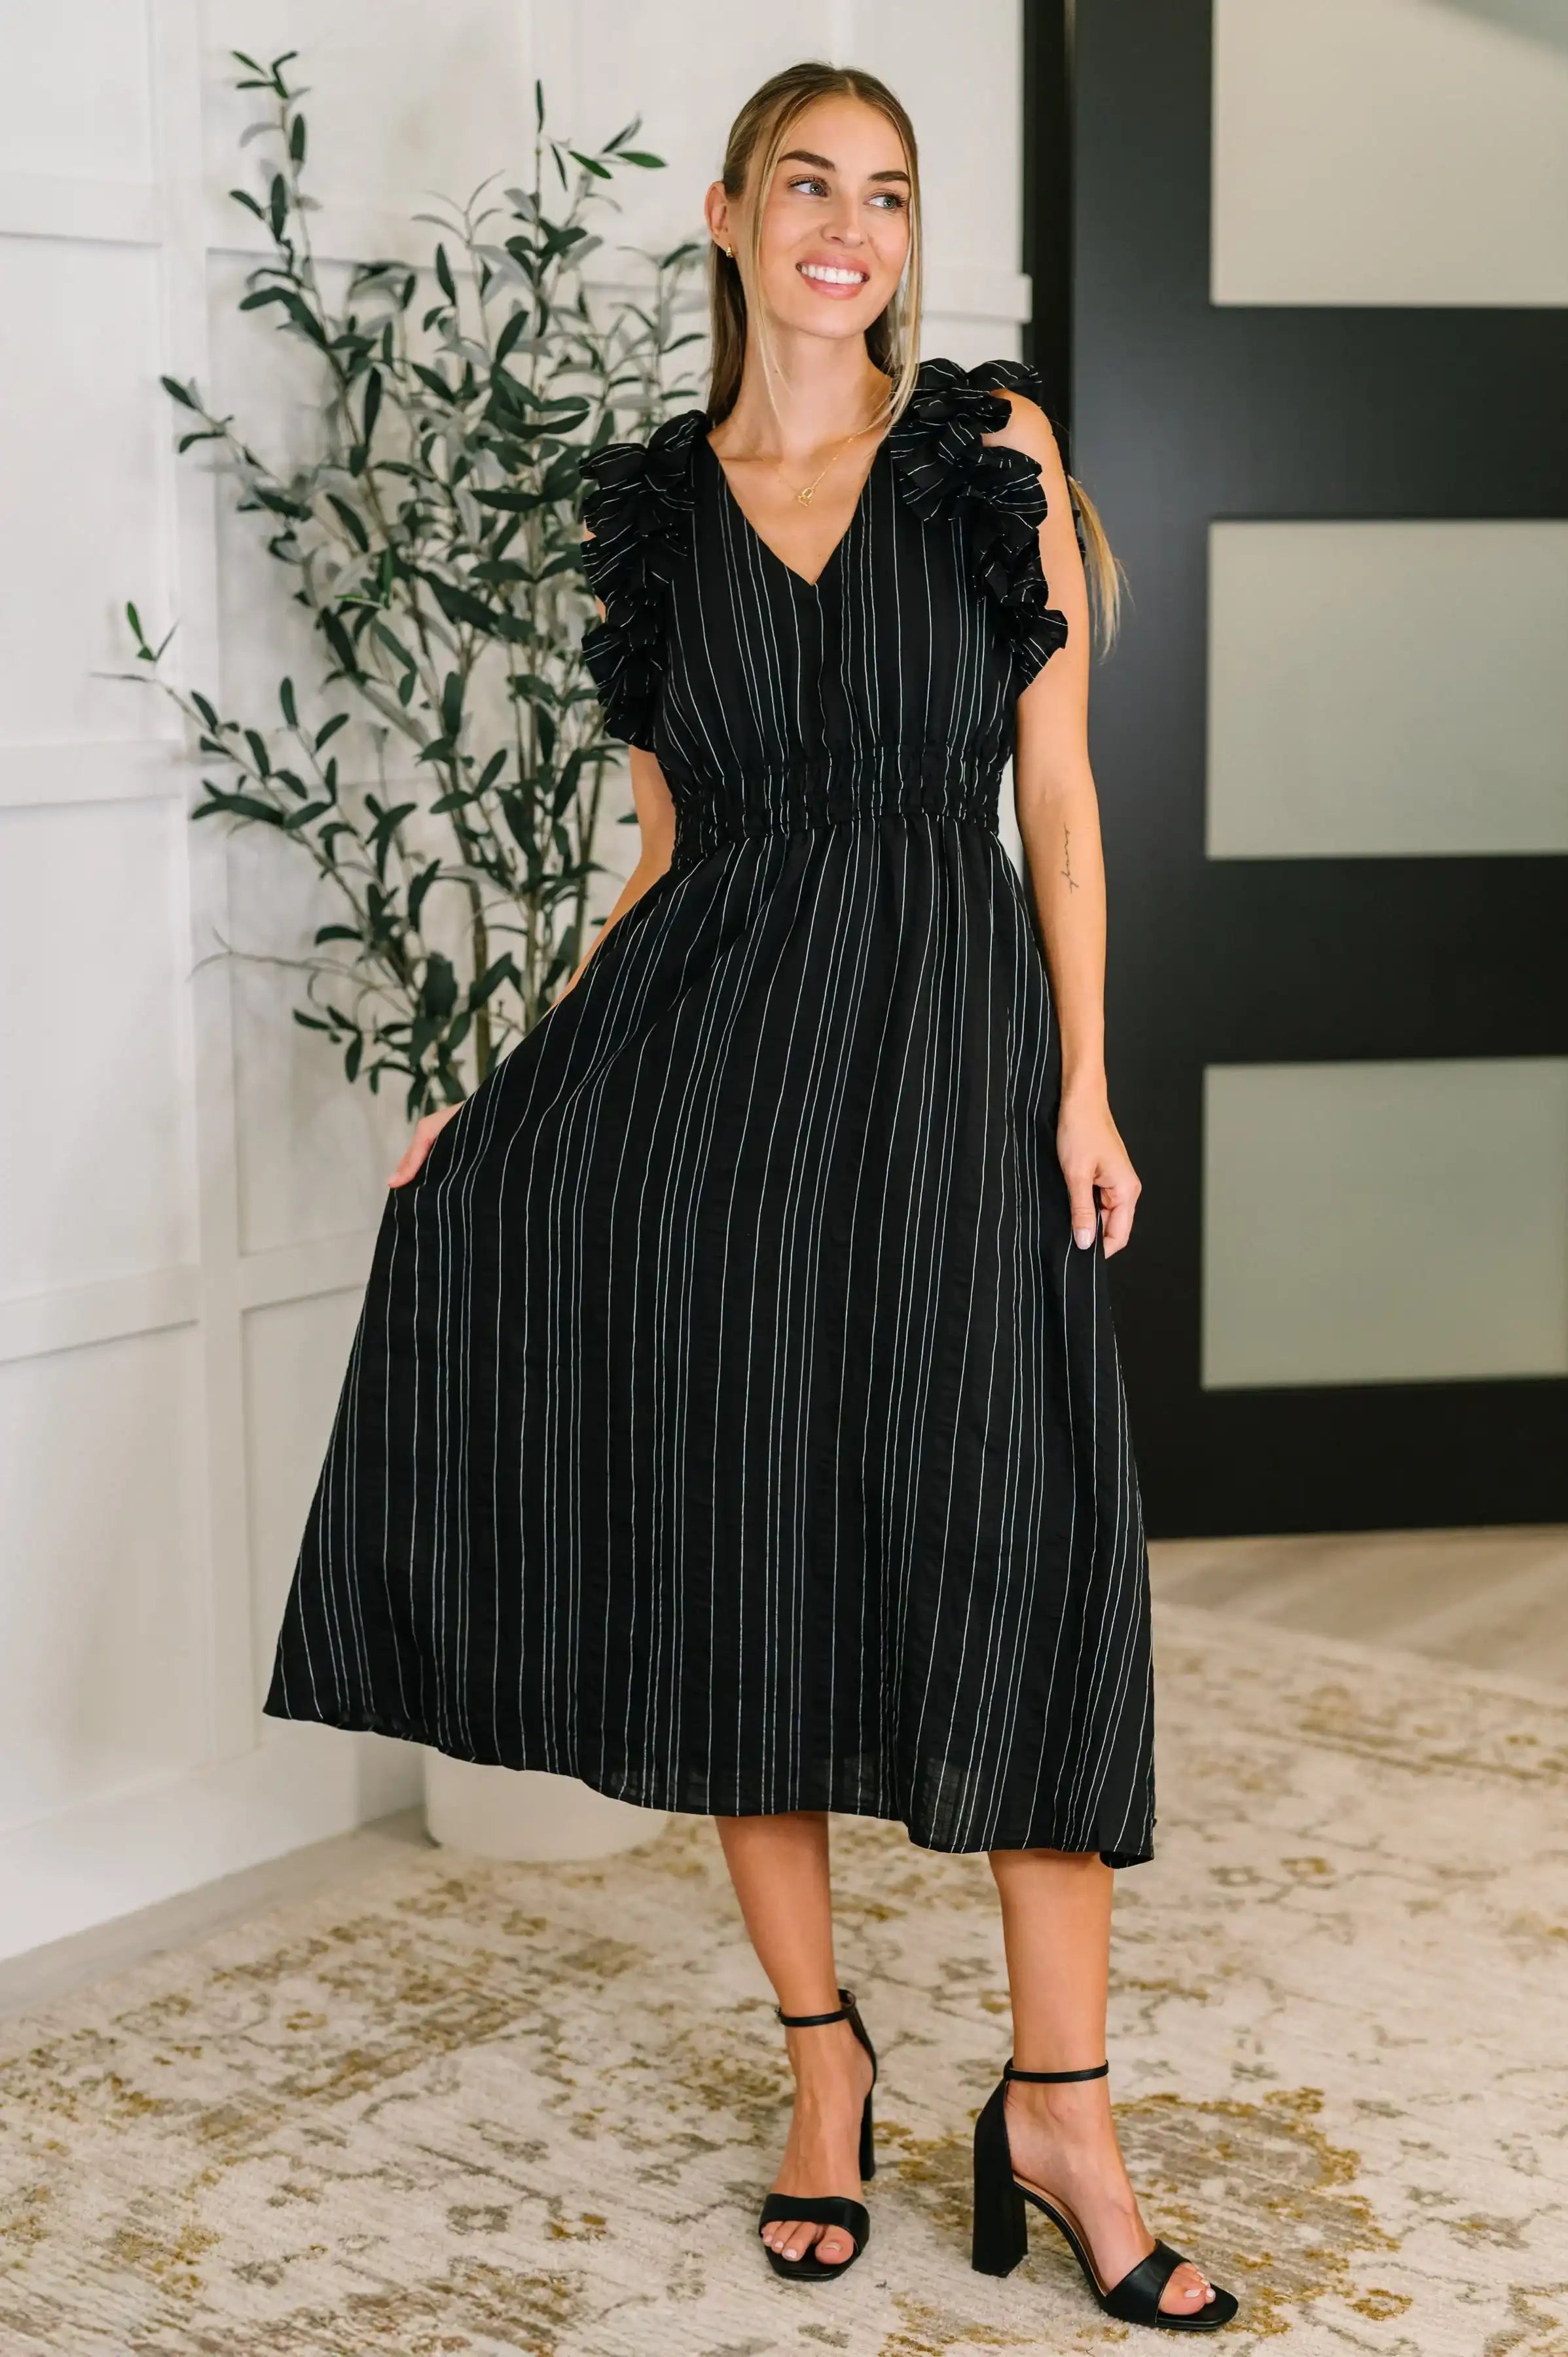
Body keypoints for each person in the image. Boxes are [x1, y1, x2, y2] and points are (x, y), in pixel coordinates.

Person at [264, 58, 1237, 2333]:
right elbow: (661, 861)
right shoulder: (655, 516)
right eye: (807, 185)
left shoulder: (986, 455)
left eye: (884, 194)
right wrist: (502, 1094)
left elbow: (1058, 809)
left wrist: (1087, 1085)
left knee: (1019, 1556)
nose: (847, 229)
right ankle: (825, 2067)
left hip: (949, 1069)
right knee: (743, 1567)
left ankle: (1062, 2109)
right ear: (725, 215)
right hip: (707, 1091)